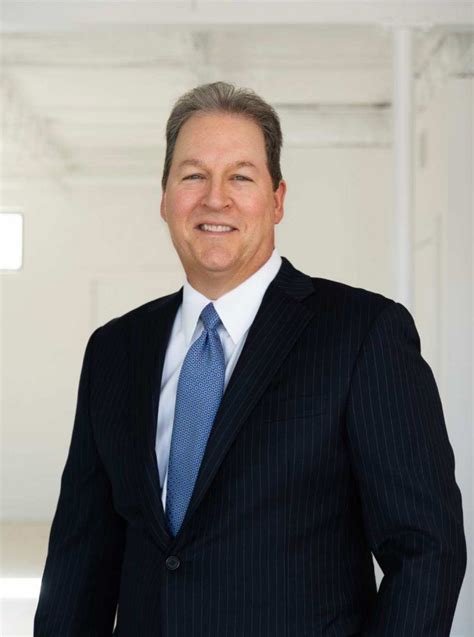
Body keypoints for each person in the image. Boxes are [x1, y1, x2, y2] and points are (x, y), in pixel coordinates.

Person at [34, 81, 466, 637]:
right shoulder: (114, 350)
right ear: (164, 198)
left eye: (240, 176)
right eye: (193, 176)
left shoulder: (362, 334)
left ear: (277, 199)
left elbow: (427, 549)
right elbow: (80, 558)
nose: (215, 199)